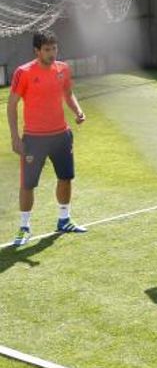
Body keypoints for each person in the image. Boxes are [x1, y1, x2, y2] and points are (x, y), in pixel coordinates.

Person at [7, 30, 87, 247]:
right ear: (37, 51)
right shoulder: (23, 72)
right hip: (34, 138)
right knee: (28, 184)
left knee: (65, 177)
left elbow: (68, 94)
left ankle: (64, 219)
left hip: (61, 135)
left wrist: (78, 111)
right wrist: (15, 138)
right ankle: (24, 227)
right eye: (47, 49)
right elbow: (12, 104)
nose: (52, 53)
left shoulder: (63, 69)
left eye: (54, 48)